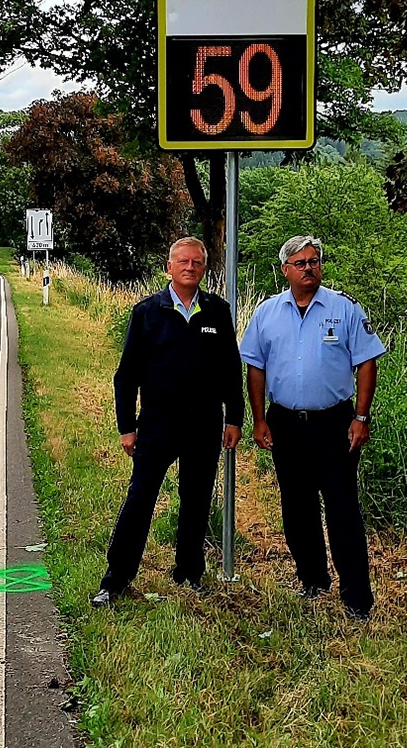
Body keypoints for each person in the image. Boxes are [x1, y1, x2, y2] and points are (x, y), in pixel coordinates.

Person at [91, 237, 244, 607]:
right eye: (182, 262)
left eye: (196, 262)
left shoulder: (217, 312)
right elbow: (126, 375)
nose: (189, 267)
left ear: (205, 269)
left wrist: (235, 418)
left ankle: (189, 573)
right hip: (157, 425)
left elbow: (230, 370)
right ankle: (115, 580)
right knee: (140, 499)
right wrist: (127, 426)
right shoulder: (148, 311)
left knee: (196, 501)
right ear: (169, 267)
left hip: (205, 425)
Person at [240, 235, 386, 621]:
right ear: (285, 270)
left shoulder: (345, 308)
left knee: (342, 509)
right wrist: (259, 419)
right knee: (297, 506)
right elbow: (255, 367)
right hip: (286, 423)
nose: (309, 268)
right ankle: (313, 581)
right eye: (301, 263)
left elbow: (367, 361)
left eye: (314, 261)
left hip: (335, 424)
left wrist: (361, 416)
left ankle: (356, 597)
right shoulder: (267, 313)